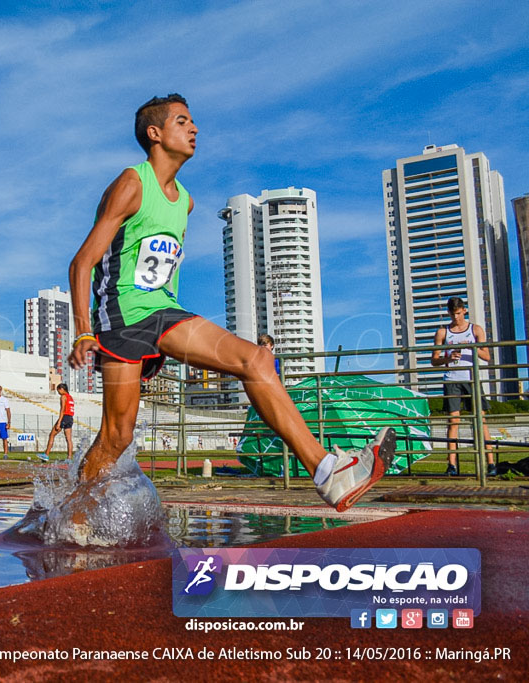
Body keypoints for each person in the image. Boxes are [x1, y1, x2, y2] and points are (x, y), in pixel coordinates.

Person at [67, 93, 395, 512]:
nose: (194, 129)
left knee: (256, 360)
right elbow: (82, 263)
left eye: (192, 122)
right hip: (122, 317)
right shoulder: (132, 183)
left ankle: (328, 471)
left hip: (165, 312)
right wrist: (83, 331)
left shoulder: (184, 200)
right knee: (117, 436)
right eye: (183, 121)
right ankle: (72, 514)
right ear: (155, 133)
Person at [431, 296, 497, 477]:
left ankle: (490, 463)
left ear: (464, 311)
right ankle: (451, 465)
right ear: (448, 314)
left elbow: (487, 356)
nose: (456, 318)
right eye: (453, 315)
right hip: (452, 379)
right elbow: (434, 360)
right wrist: (448, 358)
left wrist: (473, 346)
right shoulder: (442, 332)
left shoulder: (475, 329)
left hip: (471, 378)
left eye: (459, 314)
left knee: (480, 421)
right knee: (453, 422)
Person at [42, 383, 74, 462]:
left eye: (58, 390)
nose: (58, 392)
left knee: (52, 435)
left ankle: (46, 454)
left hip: (64, 417)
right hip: (70, 418)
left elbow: (62, 410)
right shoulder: (70, 397)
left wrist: (59, 422)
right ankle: (69, 458)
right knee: (69, 439)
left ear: (62, 389)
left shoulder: (63, 397)